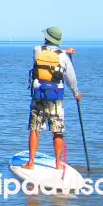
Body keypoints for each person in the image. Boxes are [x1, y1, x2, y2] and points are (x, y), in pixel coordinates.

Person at [21, 27, 81, 171]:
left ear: (46, 38)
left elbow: (43, 50)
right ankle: (58, 164)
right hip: (56, 98)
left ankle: (31, 163)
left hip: (38, 95)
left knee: (35, 129)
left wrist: (64, 51)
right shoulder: (63, 57)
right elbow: (71, 78)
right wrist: (76, 93)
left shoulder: (37, 51)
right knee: (57, 131)